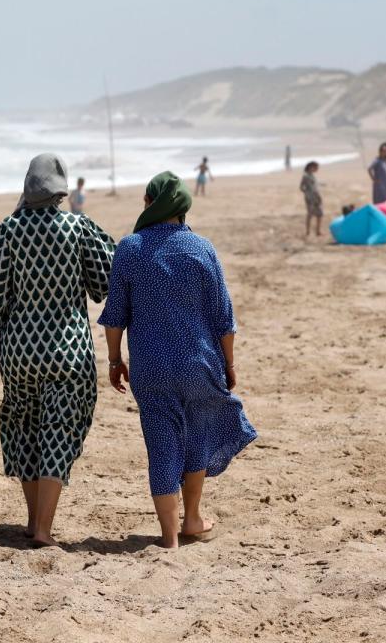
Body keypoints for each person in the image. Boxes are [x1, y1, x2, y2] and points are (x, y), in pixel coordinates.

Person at [98, 172, 256, 549]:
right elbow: (224, 318)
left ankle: (168, 537)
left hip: (150, 365)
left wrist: (114, 360)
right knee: (198, 435)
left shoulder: (130, 248)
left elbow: (115, 313)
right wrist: (230, 364)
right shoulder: (202, 248)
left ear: (151, 203)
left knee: (161, 443)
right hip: (199, 362)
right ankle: (194, 519)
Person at [0, 153, 116, 547]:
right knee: (58, 431)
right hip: (68, 349)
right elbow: (106, 282)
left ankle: (34, 519)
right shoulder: (77, 227)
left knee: (24, 428)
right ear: (59, 187)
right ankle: (43, 529)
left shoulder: (9, 228)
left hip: (20, 350)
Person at [300, 160, 323, 237]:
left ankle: (318, 231)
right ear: (311, 167)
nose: (317, 169)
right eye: (316, 167)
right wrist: (307, 193)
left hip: (316, 197)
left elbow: (315, 187)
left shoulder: (312, 175)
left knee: (319, 214)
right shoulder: (306, 176)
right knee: (310, 214)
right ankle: (308, 231)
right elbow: (301, 187)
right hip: (310, 198)